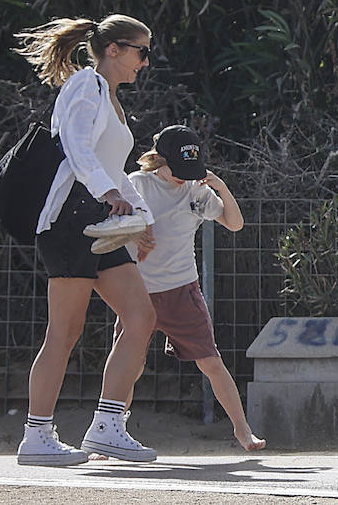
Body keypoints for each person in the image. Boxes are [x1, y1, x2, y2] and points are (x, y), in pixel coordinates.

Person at [12, 15, 159, 466]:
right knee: (65, 331)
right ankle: (37, 434)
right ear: (113, 49)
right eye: (141, 51)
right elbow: (76, 147)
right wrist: (110, 193)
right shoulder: (84, 85)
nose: (145, 62)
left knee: (140, 317)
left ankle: (107, 427)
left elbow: (114, 167)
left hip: (100, 218)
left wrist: (142, 216)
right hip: (70, 218)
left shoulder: (111, 98)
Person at [121, 124, 266, 451]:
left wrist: (222, 188)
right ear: (160, 159)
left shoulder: (195, 191)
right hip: (138, 291)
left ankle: (243, 431)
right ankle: (109, 431)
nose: (184, 177)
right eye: (179, 169)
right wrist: (134, 234)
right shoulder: (137, 184)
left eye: (192, 170)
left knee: (211, 361)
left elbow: (234, 223)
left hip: (182, 289)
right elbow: (113, 223)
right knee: (129, 364)